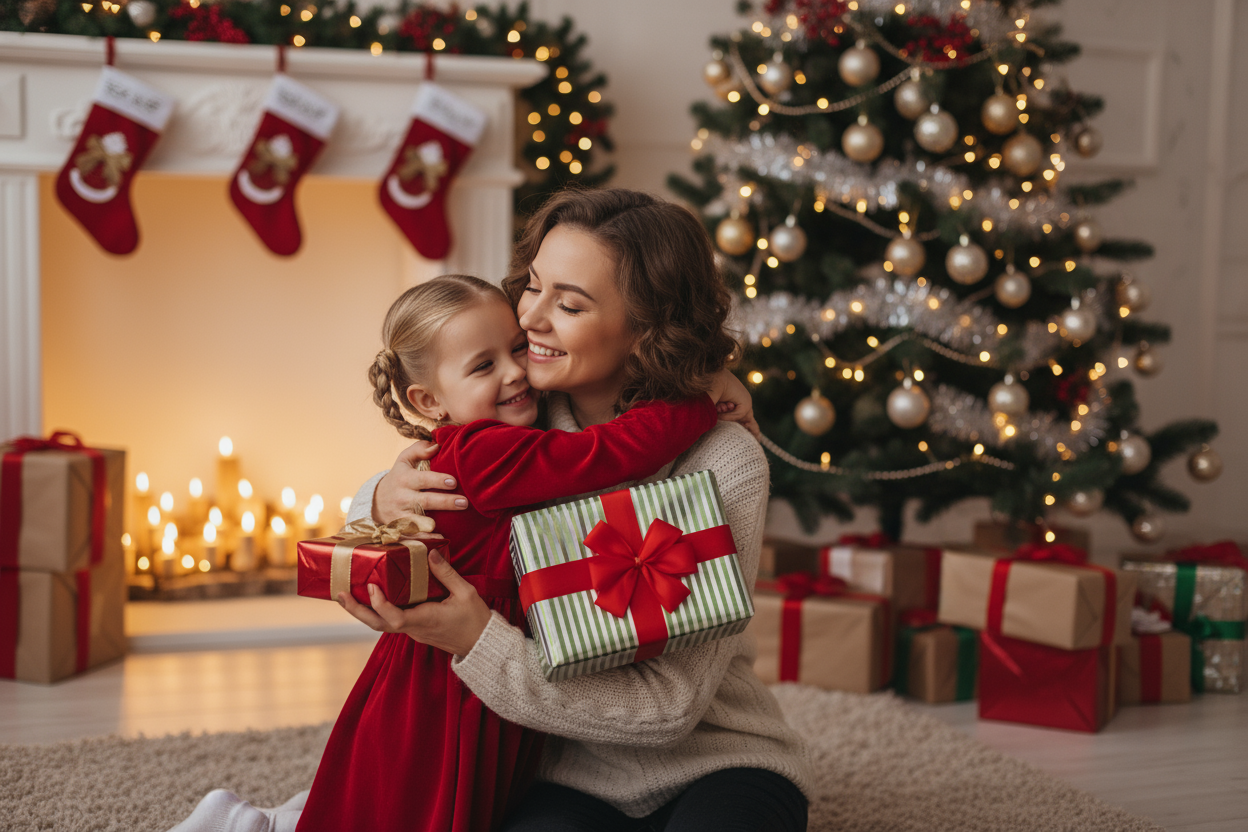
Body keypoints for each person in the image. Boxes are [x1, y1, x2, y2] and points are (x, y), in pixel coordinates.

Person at [170, 273, 754, 832]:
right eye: (483, 365)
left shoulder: (517, 430)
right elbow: (608, 454)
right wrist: (700, 400)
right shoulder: (483, 450)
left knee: (453, 801)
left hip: (493, 654)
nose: (516, 373)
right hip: (448, 669)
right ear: (429, 400)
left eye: (517, 349)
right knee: (418, 803)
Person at [343, 189, 813, 832]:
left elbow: (671, 709)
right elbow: (448, 486)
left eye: (568, 304)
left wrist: (478, 642)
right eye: (531, 286)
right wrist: (373, 495)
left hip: (716, 757)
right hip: (562, 768)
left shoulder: (723, 461)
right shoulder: (519, 418)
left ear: (647, 328)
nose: (531, 318)